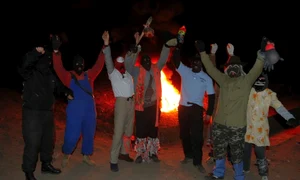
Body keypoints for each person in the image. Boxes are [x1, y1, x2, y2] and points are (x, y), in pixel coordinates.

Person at [194, 38, 280, 180]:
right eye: (230, 66)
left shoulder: (246, 81)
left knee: (237, 153)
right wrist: (203, 52)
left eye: (236, 66)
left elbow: (257, 67)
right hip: (220, 123)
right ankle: (218, 173)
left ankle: (239, 176)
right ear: (226, 68)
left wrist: (261, 53)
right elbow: (210, 68)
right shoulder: (223, 79)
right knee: (219, 150)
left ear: (240, 68)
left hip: (237, 126)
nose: (232, 68)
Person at [19, 44, 73, 180]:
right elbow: (24, 65)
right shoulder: (31, 71)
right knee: (33, 142)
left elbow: (59, 86)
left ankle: (46, 164)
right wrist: (34, 53)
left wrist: (67, 91)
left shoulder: (50, 74)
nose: (48, 61)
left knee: (48, 141)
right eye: (46, 58)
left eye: (49, 59)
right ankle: (28, 171)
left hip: (48, 112)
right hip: (32, 112)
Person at [51, 35, 105, 167]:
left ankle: (86, 156)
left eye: (81, 63)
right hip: (74, 112)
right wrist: (56, 52)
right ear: (73, 64)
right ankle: (66, 154)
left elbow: (99, 63)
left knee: (89, 134)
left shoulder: (89, 75)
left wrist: (105, 45)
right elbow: (58, 67)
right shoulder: (68, 76)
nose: (79, 65)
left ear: (84, 64)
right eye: (76, 63)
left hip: (89, 112)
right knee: (71, 135)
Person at [125, 34, 177, 163]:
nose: (147, 62)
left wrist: (166, 46)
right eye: (145, 61)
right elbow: (127, 65)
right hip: (141, 107)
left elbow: (163, 59)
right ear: (141, 63)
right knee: (141, 131)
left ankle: (153, 153)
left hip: (153, 107)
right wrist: (133, 52)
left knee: (153, 131)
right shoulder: (136, 71)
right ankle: (140, 154)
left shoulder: (156, 68)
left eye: (149, 60)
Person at [243, 72, 299, 180]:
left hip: (260, 129)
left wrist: (289, 117)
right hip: (247, 127)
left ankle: (263, 173)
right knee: (245, 149)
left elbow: (279, 107)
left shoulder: (269, 94)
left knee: (260, 151)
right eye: (257, 80)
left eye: (262, 80)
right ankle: (245, 169)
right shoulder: (249, 91)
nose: (259, 82)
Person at [171, 41, 215, 173]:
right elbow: (176, 60)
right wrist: (178, 46)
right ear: (191, 63)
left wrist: (209, 112)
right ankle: (188, 155)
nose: (195, 64)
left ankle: (197, 161)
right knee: (184, 134)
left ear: (201, 64)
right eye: (194, 62)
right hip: (183, 108)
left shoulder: (206, 78)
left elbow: (212, 96)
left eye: (198, 62)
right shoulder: (185, 71)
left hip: (196, 109)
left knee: (197, 136)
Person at [102, 31, 136, 172]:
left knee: (128, 131)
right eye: (119, 63)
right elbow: (108, 59)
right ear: (116, 64)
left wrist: (136, 44)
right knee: (118, 132)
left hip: (131, 102)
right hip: (121, 104)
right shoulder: (113, 73)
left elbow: (131, 57)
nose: (121, 64)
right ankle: (113, 159)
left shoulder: (127, 73)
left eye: (123, 63)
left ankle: (124, 153)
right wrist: (106, 43)